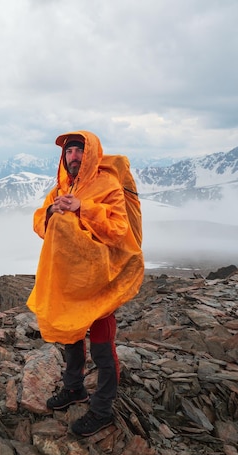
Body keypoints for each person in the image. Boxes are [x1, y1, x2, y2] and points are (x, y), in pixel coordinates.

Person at [26, 130, 144, 437]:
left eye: (79, 150)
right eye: (69, 152)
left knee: (103, 347)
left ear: (90, 154)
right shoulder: (61, 187)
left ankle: (102, 410)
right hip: (71, 280)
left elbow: (118, 228)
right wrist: (52, 211)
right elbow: (39, 221)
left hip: (100, 279)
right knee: (72, 337)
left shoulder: (108, 185)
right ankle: (74, 390)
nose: (73, 156)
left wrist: (82, 207)